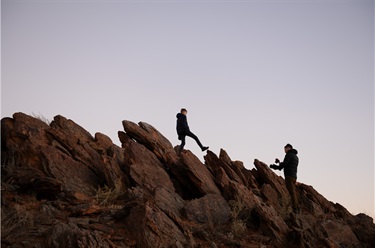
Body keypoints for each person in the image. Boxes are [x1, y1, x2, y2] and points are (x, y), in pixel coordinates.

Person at [270, 144, 300, 214]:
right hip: (294, 176)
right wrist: (280, 163)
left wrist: (274, 166)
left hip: (289, 176)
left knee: (291, 192)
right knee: (292, 192)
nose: (285, 150)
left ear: (289, 148)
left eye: (285, 149)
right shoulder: (296, 157)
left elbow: (284, 165)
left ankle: (295, 209)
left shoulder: (288, 155)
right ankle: (295, 207)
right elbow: (287, 164)